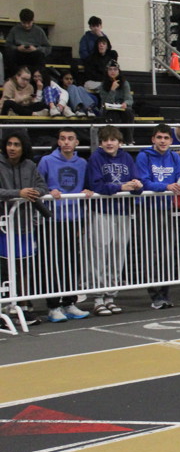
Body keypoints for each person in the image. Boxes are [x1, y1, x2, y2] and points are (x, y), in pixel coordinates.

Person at [36, 128, 94, 322]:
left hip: (74, 219)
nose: (66, 142)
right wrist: (47, 191)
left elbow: (87, 185)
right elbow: (38, 185)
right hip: (52, 220)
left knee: (72, 263)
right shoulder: (46, 161)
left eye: (70, 139)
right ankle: (53, 306)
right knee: (53, 263)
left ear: (77, 142)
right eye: (63, 139)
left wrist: (87, 190)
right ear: (58, 142)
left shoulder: (82, 163)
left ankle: (69, 302)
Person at [86, 126, 144, 315]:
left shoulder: (127, 158)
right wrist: (120, 187)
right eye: (105, 140)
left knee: (118, 253)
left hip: (123, 211)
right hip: (102, 211)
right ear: (101, 143)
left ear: (120, 142)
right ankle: (98, 297)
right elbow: (95, 185)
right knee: (99, 253)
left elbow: (136, 182)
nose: (109, 143)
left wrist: (137, 185)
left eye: (113, 140)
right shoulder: (95, 158)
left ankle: (111, 296)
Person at [135, 124, 180, 309]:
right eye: (159, 137)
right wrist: (165, 187)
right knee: (150, 252)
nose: (163, 141)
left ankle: (165, 293)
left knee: (167, 251)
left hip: (167, 208)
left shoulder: (174, 157)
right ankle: (154, 294)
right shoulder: (144, 156)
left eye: (166, 138)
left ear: (171, 140)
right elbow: (143, 182)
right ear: (153, 139)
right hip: (147, 209)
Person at [0, 133, 48, 326]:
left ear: (23, 147)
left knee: (24, 268)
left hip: (25, 225)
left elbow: (42, 186)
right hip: (3, 227)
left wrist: (35, 192)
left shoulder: (30, 165)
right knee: (5, 268)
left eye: (17, 144)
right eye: (9, 144)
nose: (12, 148)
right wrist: (18, 193)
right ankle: (5, 308)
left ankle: (24, 306)